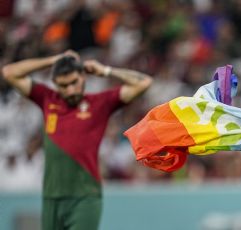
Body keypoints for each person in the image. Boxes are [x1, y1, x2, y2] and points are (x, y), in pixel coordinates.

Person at [2, 50, 153, 230]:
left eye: (74, 82)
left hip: (85, 197)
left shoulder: (100, 103)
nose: (70, 89)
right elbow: (9, 73)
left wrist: (105, 71)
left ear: (83, 77)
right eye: (63, 85)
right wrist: (53, 60)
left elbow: (144, 82)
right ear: (55, 84)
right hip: (52, 197)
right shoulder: (47, 98)